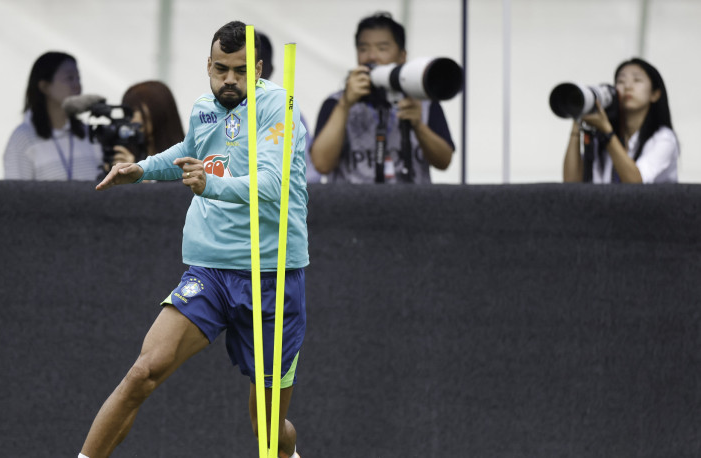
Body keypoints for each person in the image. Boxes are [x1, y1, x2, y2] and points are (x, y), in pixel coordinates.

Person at [79, 20, 307, 458]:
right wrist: (142, 170)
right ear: (208, 65)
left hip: (273, 275)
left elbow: (273, 183)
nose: (229, 80)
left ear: (258, 68)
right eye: (220, 69)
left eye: (240, 71)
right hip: (211, 270)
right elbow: (187, 151)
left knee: (267, 428)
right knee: (143, 372)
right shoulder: (204, 107)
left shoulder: (280, 106)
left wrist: (211, 186)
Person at [310, 12, 455, 184]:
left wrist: (419, 126)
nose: (372, 56)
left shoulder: (423, 102)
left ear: (402, 56)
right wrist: (345, 105)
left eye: (382, 48)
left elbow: (444, 162)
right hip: (351, 208)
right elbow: (321, 164)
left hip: (412, 207)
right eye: (363, 49)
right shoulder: (336, 103)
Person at [563, 57, 679, 183]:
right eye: (621, 81)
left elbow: (635, 182)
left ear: (655, 94)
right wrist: (577, 121)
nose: (628, 86)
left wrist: (607, 133)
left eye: (637, 80)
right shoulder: (600, 135)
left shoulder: (663, 139)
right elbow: (571, 183)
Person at [3, 51, 102, 180]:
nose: (77, 85)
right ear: (44, 87)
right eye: (70, 78)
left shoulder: (87, 133)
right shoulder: (23, 137)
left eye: (78, 78)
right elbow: (15, 193)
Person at [256, 31, 326, 184]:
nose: (249, 76)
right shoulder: (214, 113)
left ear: (269, 70)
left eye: (257, 68)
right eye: (240, 68)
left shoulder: (288, 113)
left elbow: (309, 177)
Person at [108, 80, 185, 165]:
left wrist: (138, 175)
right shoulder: (131, 153)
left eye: (134, 111)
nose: (130, 120)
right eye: (127, 114)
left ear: (158, 111)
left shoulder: (186, 159)